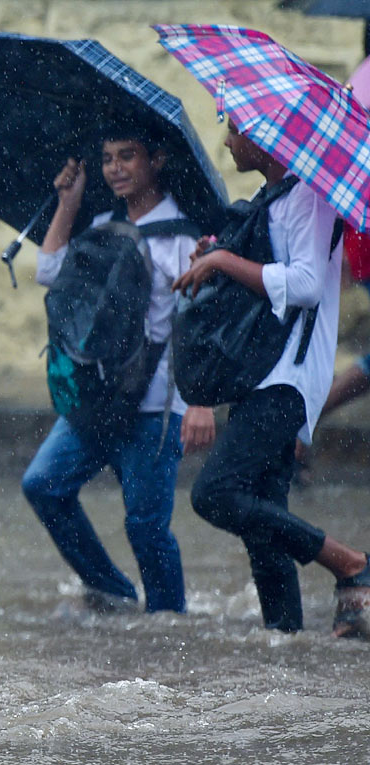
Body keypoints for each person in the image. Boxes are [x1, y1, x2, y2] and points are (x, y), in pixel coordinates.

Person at [175, 119, 368, 635]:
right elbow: (257, 266)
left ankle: (347, 562)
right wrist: (213, 255)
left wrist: (222, 259)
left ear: (267, 136)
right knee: (263, 524)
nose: (227, 140)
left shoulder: (309, 196)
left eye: (235, 129)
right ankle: (285, 645)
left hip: (288, 377)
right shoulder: (272, 197)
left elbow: (304, 284)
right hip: (260, 371)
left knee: (214, 493)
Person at [21, 129, 216, 616]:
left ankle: (168, 623)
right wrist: (69, 202)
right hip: (96, 398)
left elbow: (202, 326)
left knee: (146, 526)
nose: (115, 168)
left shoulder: (184, 237)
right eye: (107, 158)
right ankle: (113, 591)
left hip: (156, 404)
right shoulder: (102, 223)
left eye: (127, 156)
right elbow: (49, 272)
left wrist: (200, 401)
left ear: (157, 160)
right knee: (43, 485)